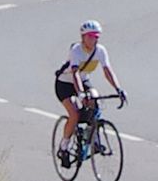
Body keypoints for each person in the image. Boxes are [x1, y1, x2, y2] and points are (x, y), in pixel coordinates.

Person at [54, 21, 126, 162]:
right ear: (83, 37)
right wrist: (80, 93)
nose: (94, 40)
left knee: (95, 99)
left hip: (83, 80)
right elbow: (75, 74)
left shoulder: (100, 51)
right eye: (91, 36)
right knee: (74, 115)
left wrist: (118, 89)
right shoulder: (76, 50)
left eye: (97, 37)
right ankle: (64, 147)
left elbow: (107, 71)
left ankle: (92, 138)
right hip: (65, 84)